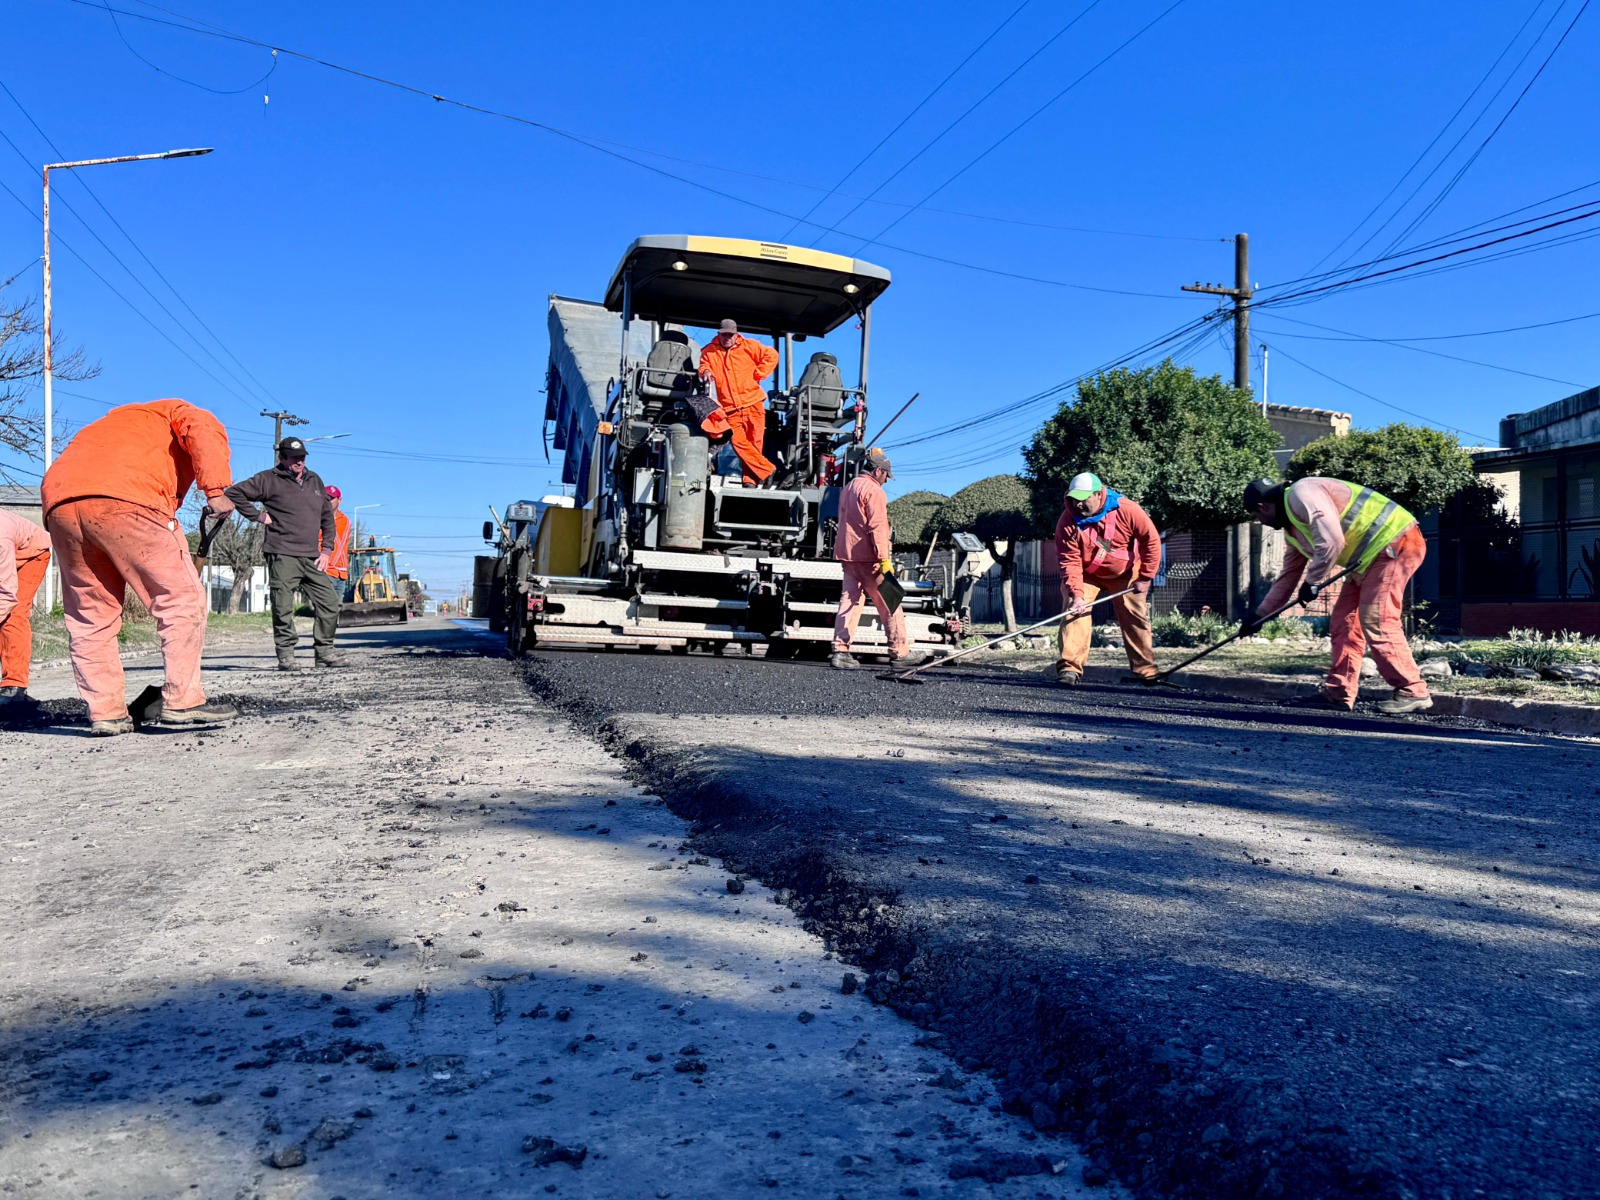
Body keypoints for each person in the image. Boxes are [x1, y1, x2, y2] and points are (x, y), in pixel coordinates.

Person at [41, 398, 239, 734]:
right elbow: (203, 430)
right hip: (129, 500)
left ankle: (106, 712)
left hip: (60, 505)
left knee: (91, 616)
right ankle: (183, 702)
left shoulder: (106, 426)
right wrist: (216, 490)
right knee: (181, 601)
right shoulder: (179, 411)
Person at [1243, 476, 1430, 714]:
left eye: (1257, 516)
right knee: (1345, 623)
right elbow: (1288, 577)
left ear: (1263, 507)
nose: (1260, 521)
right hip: (1367, 561)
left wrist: (1312, 581)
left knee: (1377, 619)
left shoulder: (1302, 493)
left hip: (1395, 544)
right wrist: (1259, 616)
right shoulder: (1294, 531)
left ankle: (1413, 690)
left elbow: (1332, 541)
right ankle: (1339, 693)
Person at [225, 437, 348, 671]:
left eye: (302, 457)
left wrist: (326, 550)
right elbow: (234, 493)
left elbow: (326, 518)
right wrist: (258, 516)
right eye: (294, 457)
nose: (299, 461)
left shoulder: (315, 481)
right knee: (283, 606)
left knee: (330, 603)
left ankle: (324, 652)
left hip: (312, 556)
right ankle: (286, 655)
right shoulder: (268, 479)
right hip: (282, 553)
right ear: (282, 458)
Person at [1052, 472, 1161, 685]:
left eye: (1084, 498)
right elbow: (1069, 561)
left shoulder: (1128, 510)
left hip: (1126, 573)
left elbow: (1151, 541)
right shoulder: (1067, 521)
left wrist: (1146, 576)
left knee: (1135, 616)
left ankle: (1146, 671)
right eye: (1074, 498)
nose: (1078, 504)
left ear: (1098, 494)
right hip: (1086, 574)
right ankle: (1070, 669)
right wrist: (1076, 594)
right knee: (1075, 611)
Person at [830, 448, 921, 671]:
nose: (886, 481)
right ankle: (900, 653)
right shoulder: (874, 491)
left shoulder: (849, 487)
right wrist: (884, 559)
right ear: (878, 470)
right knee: (892, 602)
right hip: (870, 558)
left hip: (848, 556)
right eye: (886, 476)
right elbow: (878, 527)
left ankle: (840, 651)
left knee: (849, 603)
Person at [698, 318, 779, 485]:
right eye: (723, 334)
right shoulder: (709, 351)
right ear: (718, 334)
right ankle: (767, 470)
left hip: (753, 403)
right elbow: (703, 365)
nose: (727, 338)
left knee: (754, 443)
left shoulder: (750, 346)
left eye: (730, 335)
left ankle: (750, 481)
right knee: (737, 442)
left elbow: (772, 355)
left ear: (736, 335)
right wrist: (705, 371)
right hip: (730, 408)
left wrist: (759, 373)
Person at [0, 509, 53, 704]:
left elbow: (7, 594)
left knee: (13, 614)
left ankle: (14, 685)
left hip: (30, 556)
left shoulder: (1, 539)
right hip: (9, 554)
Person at [321, 485, 353, 582]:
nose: (328, 501)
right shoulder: (317, 519)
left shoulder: (346, 521)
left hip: (341, 573)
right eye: (325, 498)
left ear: (339, 500)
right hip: (325, 571)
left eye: (330, 498)